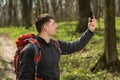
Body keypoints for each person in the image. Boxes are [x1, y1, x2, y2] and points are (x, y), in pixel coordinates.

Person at [20, 13, 96, 80]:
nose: (56, 26)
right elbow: (25, 77)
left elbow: (75, 46)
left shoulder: (56, 44)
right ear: (45, 27)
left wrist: (89, 31)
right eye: (53, 24)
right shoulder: (30, 49)